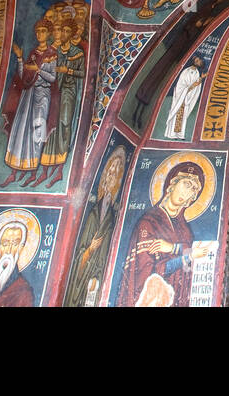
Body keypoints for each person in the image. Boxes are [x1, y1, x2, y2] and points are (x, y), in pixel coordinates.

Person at [117, 160, 212, 307]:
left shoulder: (185, 231)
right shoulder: (148, 223)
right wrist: (188, 254)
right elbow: (148, 272)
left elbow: (187, 267)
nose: (187, 193)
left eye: (193, 191)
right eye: (186, 185)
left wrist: (174, 248)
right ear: (171, 185)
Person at [63, 149, 128, 306]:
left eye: (116, 172)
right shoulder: (93, 213)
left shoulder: (112, 213)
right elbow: (79, 254)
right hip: (84, 277)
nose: (111, 175)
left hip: (98, 278)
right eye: (110, 170)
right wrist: (90, 249)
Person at [0, 20, 58, 187]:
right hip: (28, 95)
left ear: (49, 33)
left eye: (43, 31)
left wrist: (38, 70)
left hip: (42, 96)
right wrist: (19, 58)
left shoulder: (51, 53)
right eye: (37, 31)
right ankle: (14, 172)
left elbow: (52, 78)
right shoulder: (33, 53)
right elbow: (23, 75)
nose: (39, 34)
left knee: (36, 132)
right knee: (20, 131)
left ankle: (32, 172)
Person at [36, 22, 84, 187]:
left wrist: (68, 71)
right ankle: (44, 170)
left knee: (64, 125)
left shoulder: (77, 53)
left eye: (67, 30)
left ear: (72, 34)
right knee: (50, 126)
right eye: (62, 30)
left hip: (68, 93)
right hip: (55, 92)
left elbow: (82, 72)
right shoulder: (55, 52)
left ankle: (60, 169)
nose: (63, 33)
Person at [163, 56, 204, 140]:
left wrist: (199, 80)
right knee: (177, 114)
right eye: (197, 60)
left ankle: (180, 134)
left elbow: (195, 86)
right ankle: (172, 134)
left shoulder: (196, 72)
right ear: (193, 62)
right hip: (180, 96)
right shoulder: (186, 71)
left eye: (199, 61)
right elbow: (182, 85)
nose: (198, 62)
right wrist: (196, 83)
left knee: (184, 116)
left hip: (187, 98)